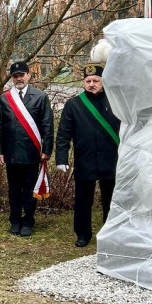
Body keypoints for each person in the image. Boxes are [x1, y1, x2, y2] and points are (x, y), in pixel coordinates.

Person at [54, 56, 120, 247]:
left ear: (103, 81)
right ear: (83, 82)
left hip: (112, 160)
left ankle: (111, 233)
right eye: (88, 81)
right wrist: (61, 158)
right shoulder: (73, 105)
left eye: (96, 81)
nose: (92, 84)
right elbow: (64, 134)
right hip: (86, 160)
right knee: (83, 201)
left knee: (111, 200)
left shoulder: (115, 101)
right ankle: (83, 234)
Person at [0, 60, 53, 237]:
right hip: (11, 152)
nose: (19, 78)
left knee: (29, 188)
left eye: (22, 75)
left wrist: (47, 150)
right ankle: (15, 220)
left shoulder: (40, 96)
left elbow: (47, 126)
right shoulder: (5, 98)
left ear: (29, 75)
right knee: (13, 189)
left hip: (31, 152)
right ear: (12, 78)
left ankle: (28, 220)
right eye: (15, 76)